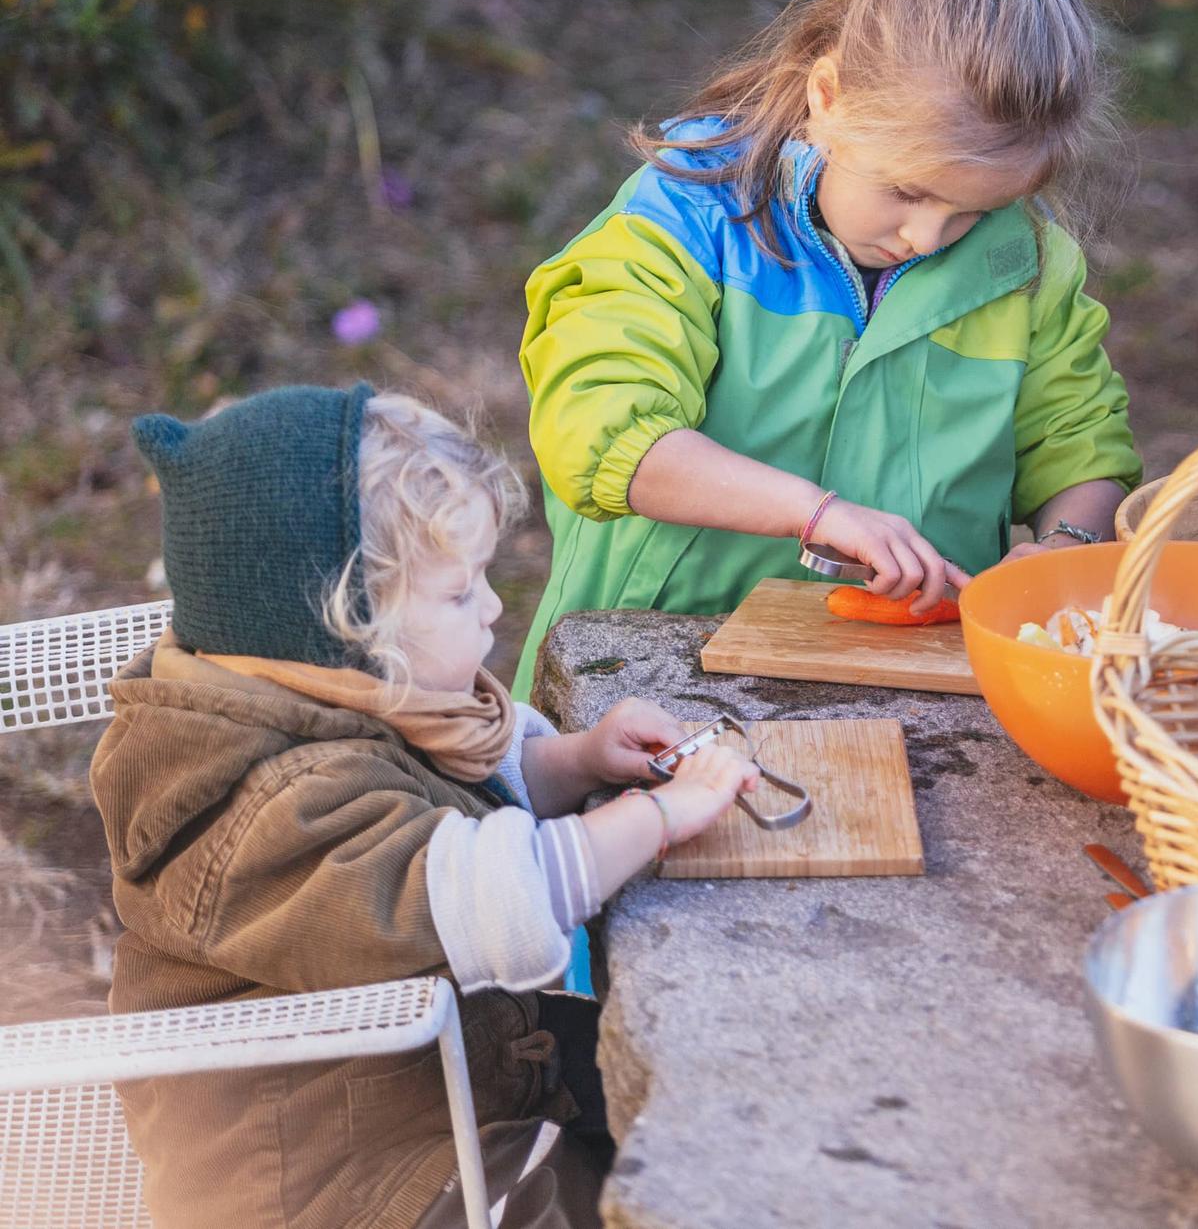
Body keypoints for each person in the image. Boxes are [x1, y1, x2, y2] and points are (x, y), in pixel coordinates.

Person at [93, 384, 758, 1229]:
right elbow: (470, 898)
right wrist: (655, 818)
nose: (491, 607)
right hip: (331, 1184)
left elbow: (442, 803)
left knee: (681, 1102)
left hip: (437, 1087)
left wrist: (575, 762)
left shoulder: (335, 697)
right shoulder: (266, 813)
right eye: (457, 592)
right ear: (341, 627)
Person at [517, 0, 1142, 684]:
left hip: (908, 683)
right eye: (908, 191)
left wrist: (1060, 556)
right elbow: (601, 431)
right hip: (654, 672)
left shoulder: (1024, 262)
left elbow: (1081, 446)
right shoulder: (690, 215)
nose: (927, 236)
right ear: (828, 96)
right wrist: (819, 515)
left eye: (971, 211)